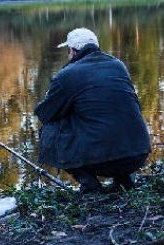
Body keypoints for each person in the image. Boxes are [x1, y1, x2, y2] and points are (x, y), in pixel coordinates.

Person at [34, 27, 151, 193]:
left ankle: (90, 185)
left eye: (68, 52)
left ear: (72, 51)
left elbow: (45, 114)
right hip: (138, 153)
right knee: (110, 118)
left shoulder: (68, 74)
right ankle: (124, 179)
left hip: (106, 160)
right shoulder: (118, 65)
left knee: (50, 130)